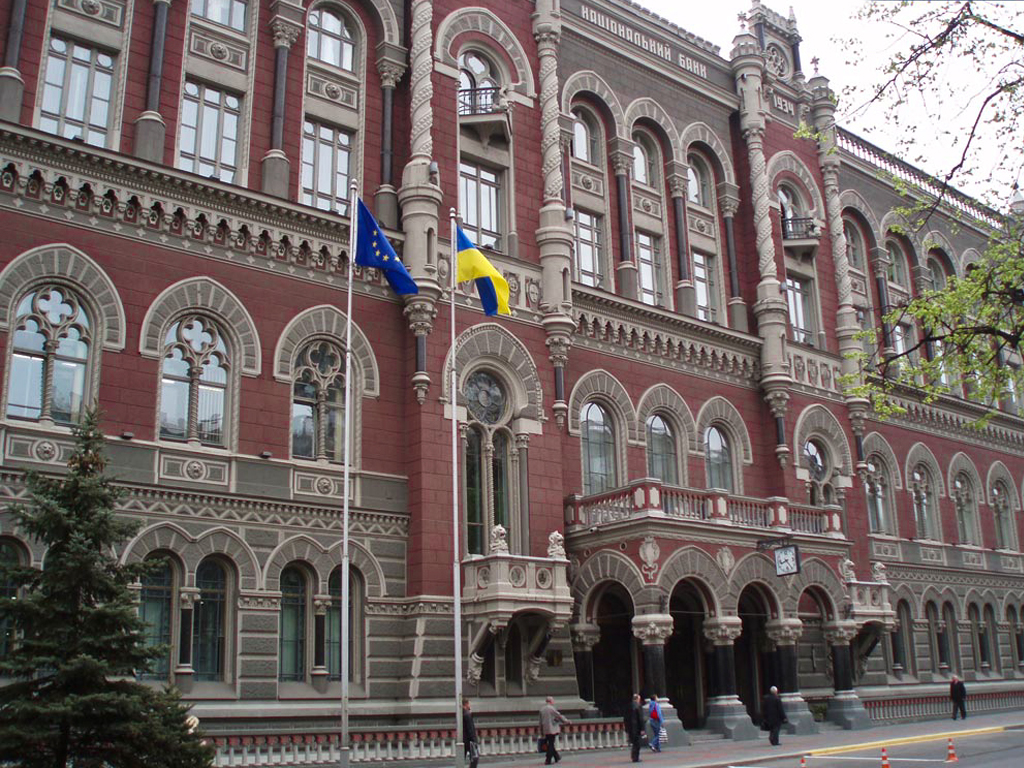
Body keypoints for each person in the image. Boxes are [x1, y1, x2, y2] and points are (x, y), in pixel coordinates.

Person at [539, 695, 569, 765]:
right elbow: (559, 716)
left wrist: (541, 730)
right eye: (553, 700)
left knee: (550, 743)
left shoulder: (542, 709)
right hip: (552, 729)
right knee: (551, 744)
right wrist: (566, 721)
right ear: (550, 701)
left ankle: (556, 756)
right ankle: (548, 759)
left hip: (545, 729)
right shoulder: (551, 709)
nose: (554, 702)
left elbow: (540, 721)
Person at [624, 693, 645, 763]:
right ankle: (636, 757)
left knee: (634, 743)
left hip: (630, 727)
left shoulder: (628, 706)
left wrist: (626, 728)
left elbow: (626, 718)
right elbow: (640, 718)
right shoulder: (638, 706)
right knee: (637, 743)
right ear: (637, 699)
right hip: (637, 727)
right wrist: (642, 728)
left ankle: (634, 756)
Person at [463, 698, 480, 768]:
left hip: (463, 740)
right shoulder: (467, 714)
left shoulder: (462, 713)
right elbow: (470, 729)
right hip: (469, 740)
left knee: (461, 759)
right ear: (466, 704)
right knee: (475, 757)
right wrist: (474, 740)